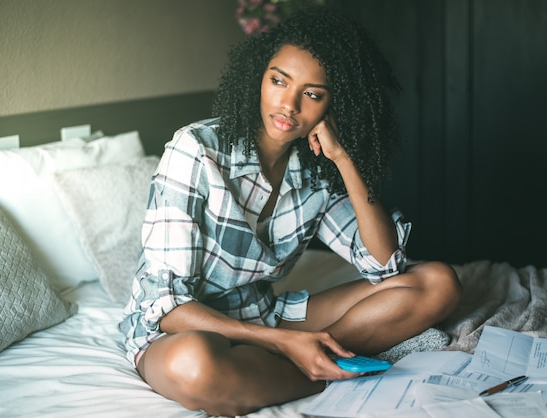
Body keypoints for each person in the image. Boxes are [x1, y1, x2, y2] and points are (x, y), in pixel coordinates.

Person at [119, 6, 461, 416]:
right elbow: (167, 303)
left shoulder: (316, 169)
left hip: (264, 314)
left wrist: (344, 160)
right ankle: (315, 367)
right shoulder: (195, 150)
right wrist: (282, 342)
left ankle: (305, 357)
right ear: (257, 77)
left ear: (334, 107)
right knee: (194, 365)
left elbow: (384, 265)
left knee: (439, 283)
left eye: (313, 94)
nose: (289, 104)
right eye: (278, 80)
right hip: (182, 328)